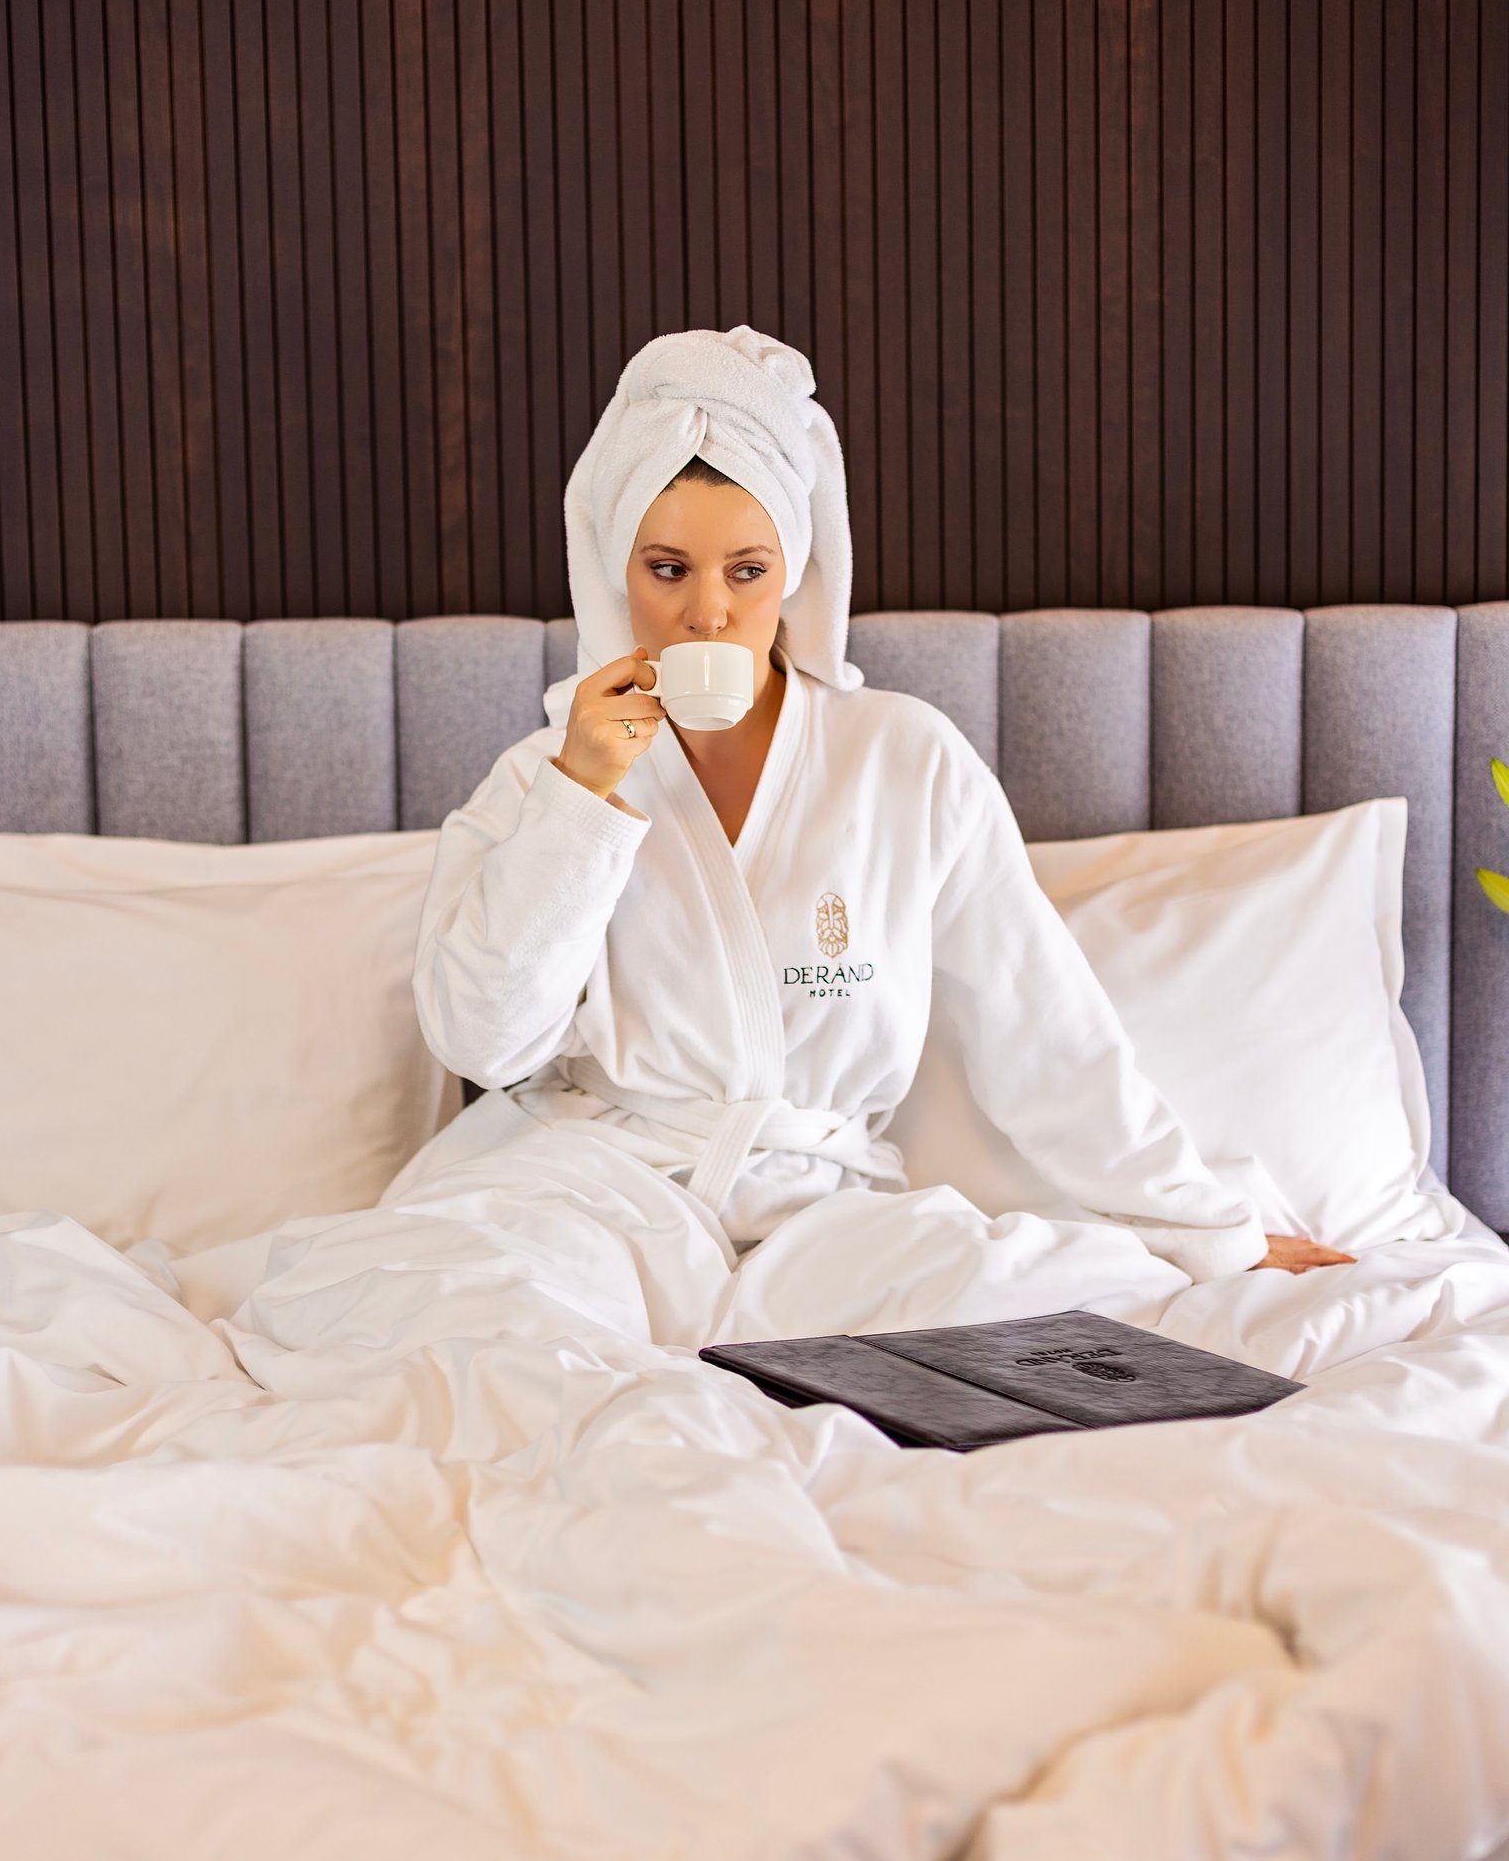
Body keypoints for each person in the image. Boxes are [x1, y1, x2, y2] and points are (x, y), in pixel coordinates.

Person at [402, 325, 1350, 1348]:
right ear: (613, 566)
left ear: (795, 570)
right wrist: (580, 795)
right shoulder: (545, 774)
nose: (707, 612)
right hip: (593, 1193)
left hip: (824, 1220)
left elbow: (1046, 1031)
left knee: (1042, 1301)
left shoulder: (903, 760)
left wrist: (1209, 1231)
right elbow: (483, 1041)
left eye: (747, 569)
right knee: (470, 1321)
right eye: (667, 567)